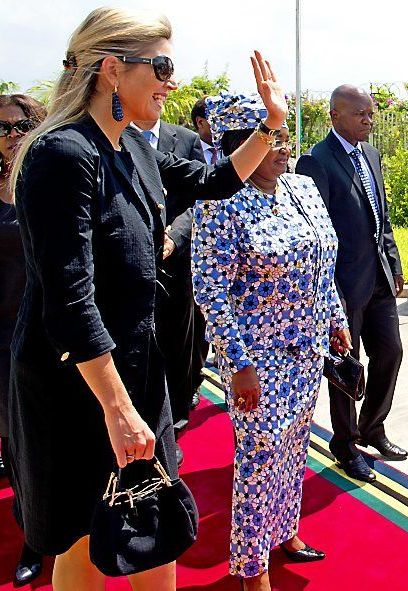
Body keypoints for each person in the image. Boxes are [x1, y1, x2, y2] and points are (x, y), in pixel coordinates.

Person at [7, 7, 286, 588]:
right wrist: (117, 409)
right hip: (78, 386)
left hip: (133, 372)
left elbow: (214, 181)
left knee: (154, 528)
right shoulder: (63, 155)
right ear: (112, 68)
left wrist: (271, 123)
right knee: (81, 538)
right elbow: (70, 300)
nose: (171, 81)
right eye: (161, 65)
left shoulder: (130, 146)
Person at [193, 93, 352, 591]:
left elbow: (322, 259)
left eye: (284, 136)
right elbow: (210, 288)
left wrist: (336, 318)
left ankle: (285, 531)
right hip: (256, 360)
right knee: (260, 456)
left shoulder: (303, 188)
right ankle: (251, 567)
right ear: (241, 144)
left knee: (295, 446)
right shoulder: (219, 201)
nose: (285, 148)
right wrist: (237, 364)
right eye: (271, 138)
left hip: (307, 350)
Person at [295, 85, 407, 483]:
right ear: (335, 116)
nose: (368, 121)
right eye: (360, 114)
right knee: (346, 369)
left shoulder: (371, 155)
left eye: (371, 114)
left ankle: (372, 427)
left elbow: (381, 217)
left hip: (377, 277)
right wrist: (329, 294)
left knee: (390, 353)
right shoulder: (316, 162)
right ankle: (344, 445)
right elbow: (313, 233)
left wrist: (392, 261)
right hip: (340, 286)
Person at [130, 113, 207, 457]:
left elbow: (198, 199)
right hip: (131, 265)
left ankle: (173, 426)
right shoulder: (116, 137)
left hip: (175, 265)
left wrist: (174, 237)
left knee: (178, 347)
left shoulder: (185, 140)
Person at [0, 93, 46, 587]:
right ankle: (32, 534)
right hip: (2, 341)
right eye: (4, 128)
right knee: (16, 445)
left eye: (22, 126)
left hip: (51, 334)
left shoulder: (53, 178)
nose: (13, 136)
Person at [191, 96, 217, 165]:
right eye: (218, 119)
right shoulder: (185, 152)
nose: (225, 123)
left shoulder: (235, 149)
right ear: (200, 122)